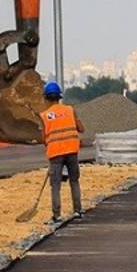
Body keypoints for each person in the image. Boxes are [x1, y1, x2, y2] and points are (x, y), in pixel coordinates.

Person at [39, 81, 85, 223]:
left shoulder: (44, 116)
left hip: (55, 154)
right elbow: (81, 128)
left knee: (56, 185)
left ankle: (57, 215)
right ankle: (77, 211)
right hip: (72, 151)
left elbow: (43, 138)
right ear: (59, 96)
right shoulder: (70, 110)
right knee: (74, 181)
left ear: (46, 98)